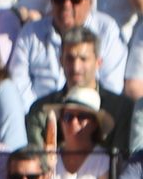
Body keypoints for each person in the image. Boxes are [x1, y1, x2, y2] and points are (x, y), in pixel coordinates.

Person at [9, 0, 126, 104]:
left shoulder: (107, 30)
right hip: (39, 115)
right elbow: (18, 83)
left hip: (90, 115)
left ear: (90, 1)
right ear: (51, 1)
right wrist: (38, 113)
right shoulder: (30, 33)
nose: (66, 5)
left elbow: (111, 86)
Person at [23, 26, 133, 154]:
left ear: (98, 63)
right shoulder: (40, 111)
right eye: (70, 58)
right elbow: (37, 162)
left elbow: (120, 161)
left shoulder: (120, 109)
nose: (76, 67)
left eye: (83, 59)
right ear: (61, 61)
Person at [47, 87, 112, 179]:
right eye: (68, 117)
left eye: (81, 117)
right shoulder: (50, 156)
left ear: (95, 124)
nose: (73, 123)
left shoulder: (105, 160)